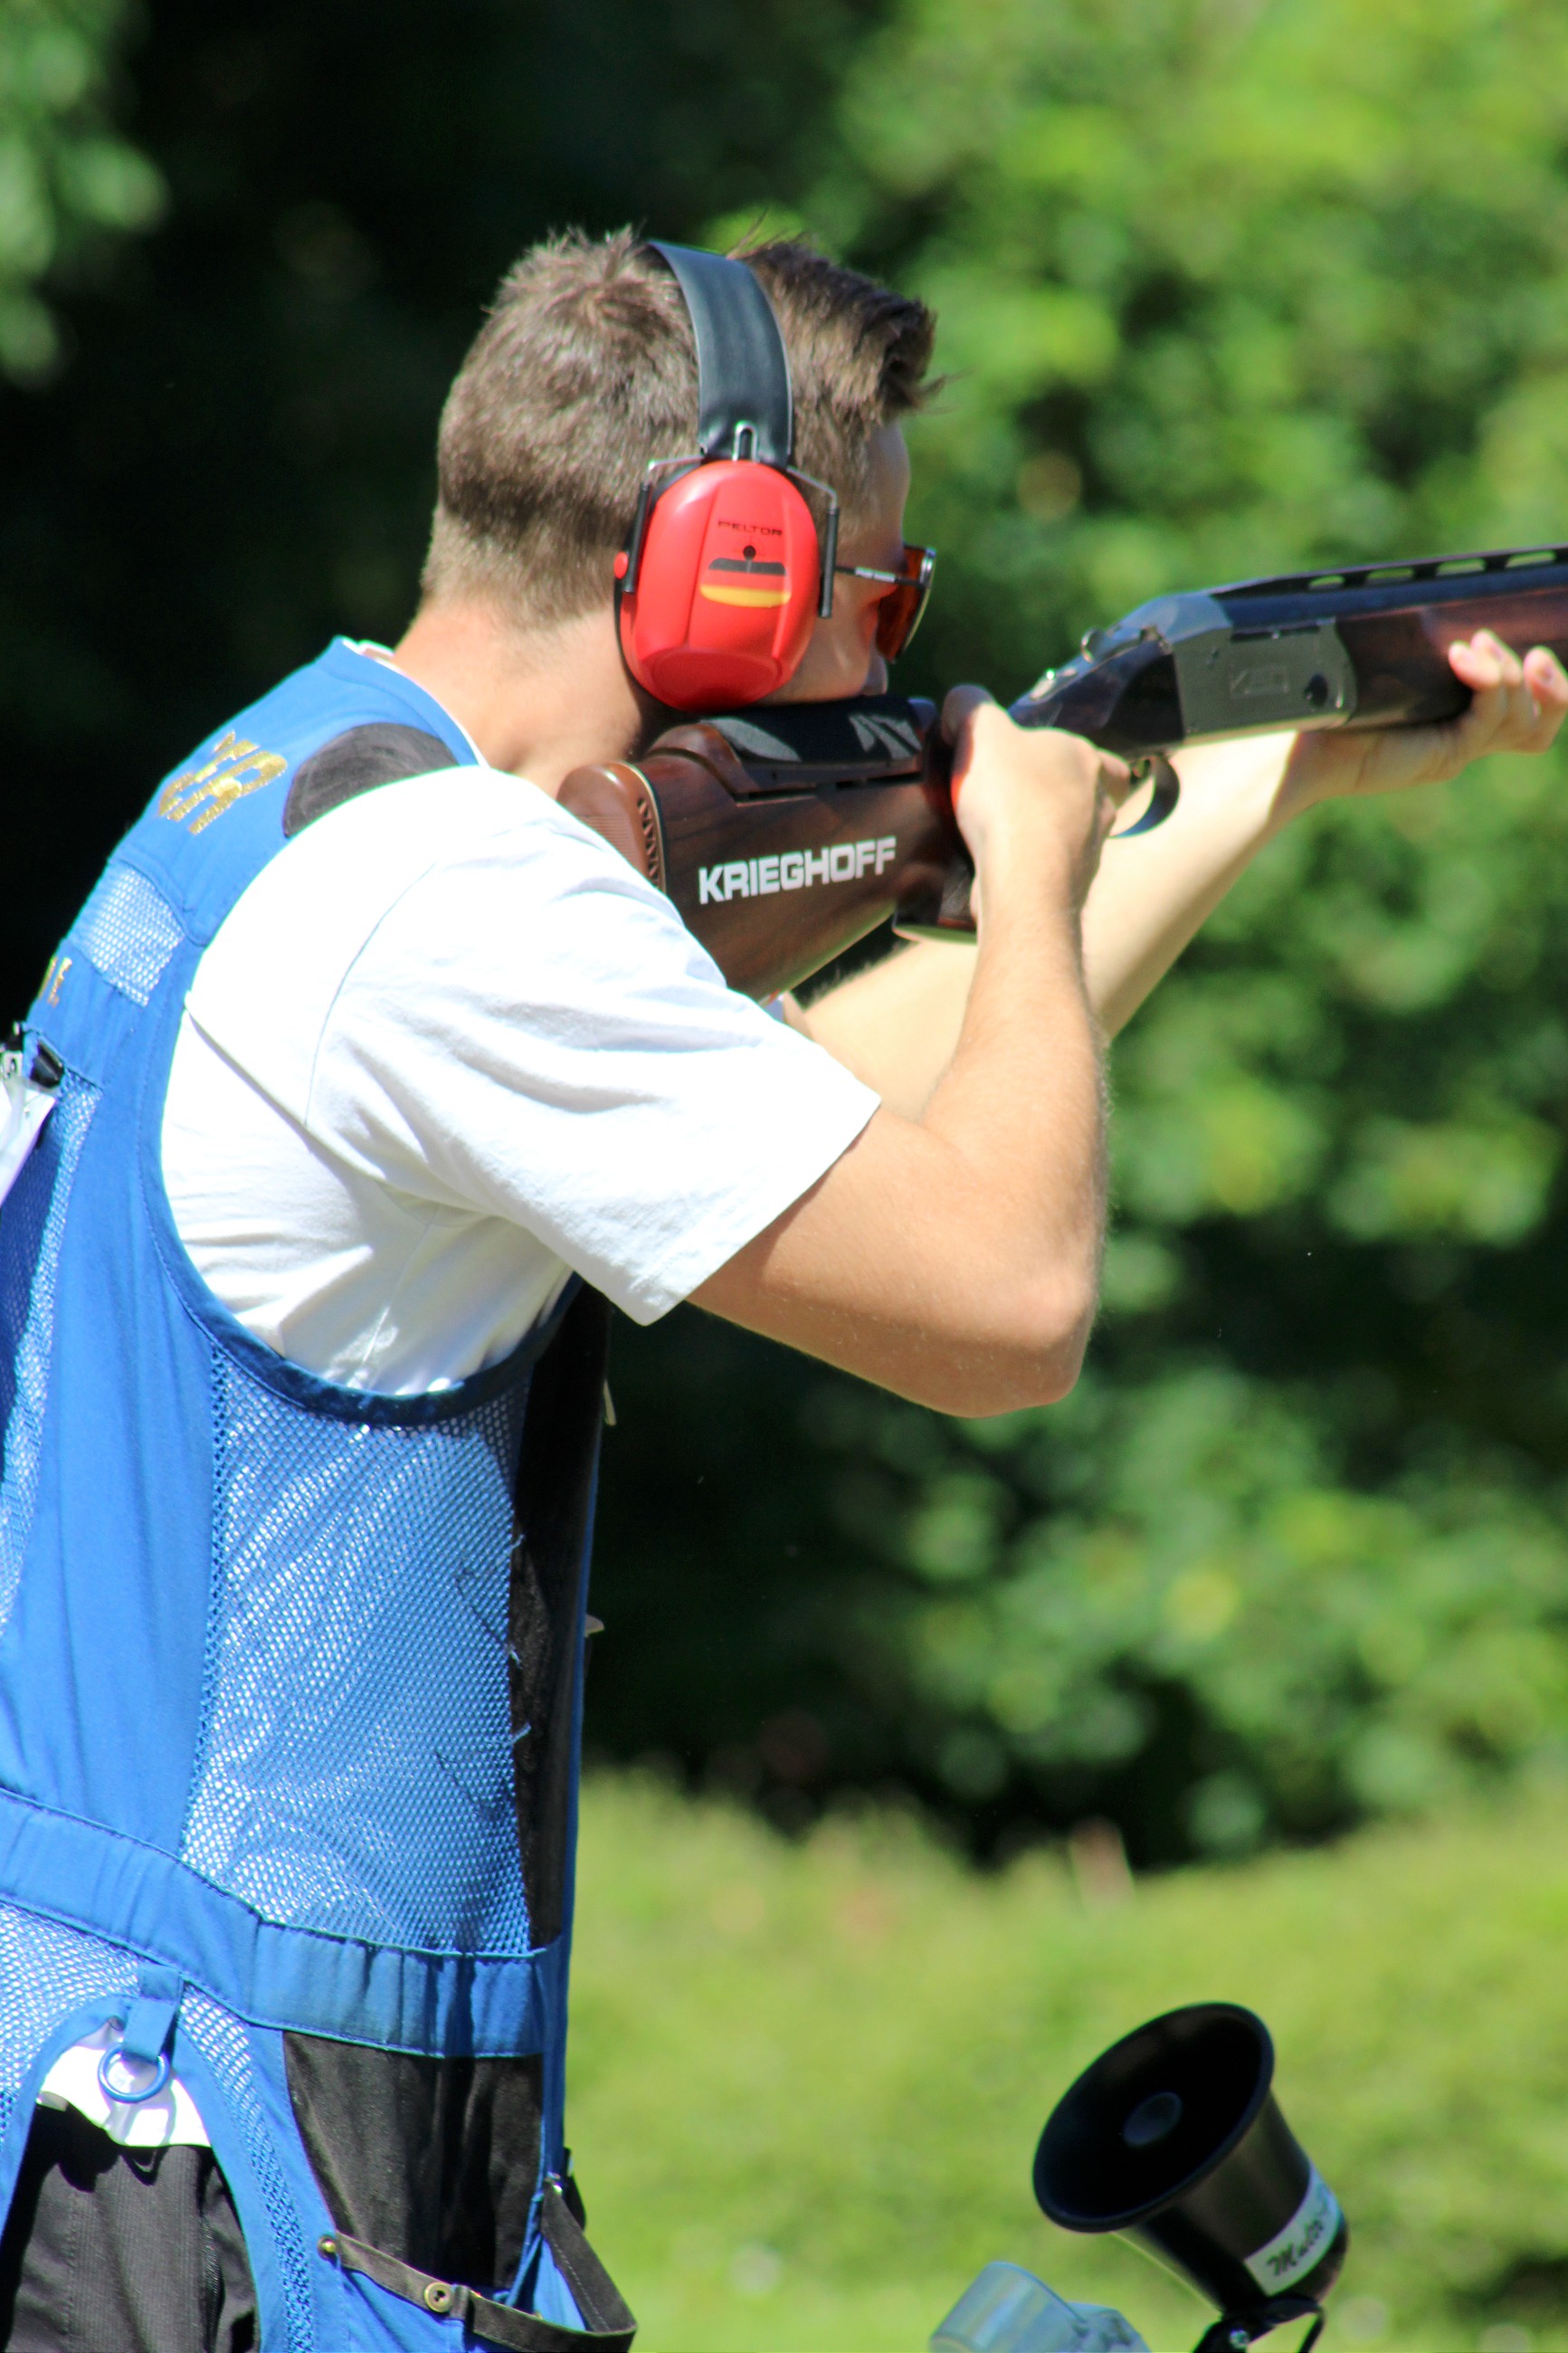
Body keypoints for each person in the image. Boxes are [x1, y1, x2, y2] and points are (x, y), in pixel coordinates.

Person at [0, 228, 1559, 2353]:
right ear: (721, 567)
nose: (889, 659)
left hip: (123, 2110)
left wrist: (1237, 784)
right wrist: (1024, 874)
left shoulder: (302, 788)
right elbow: (1006, 1295)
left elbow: (839, 1135)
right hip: (228, 2187)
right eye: (881, 599)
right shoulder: (464, 903)